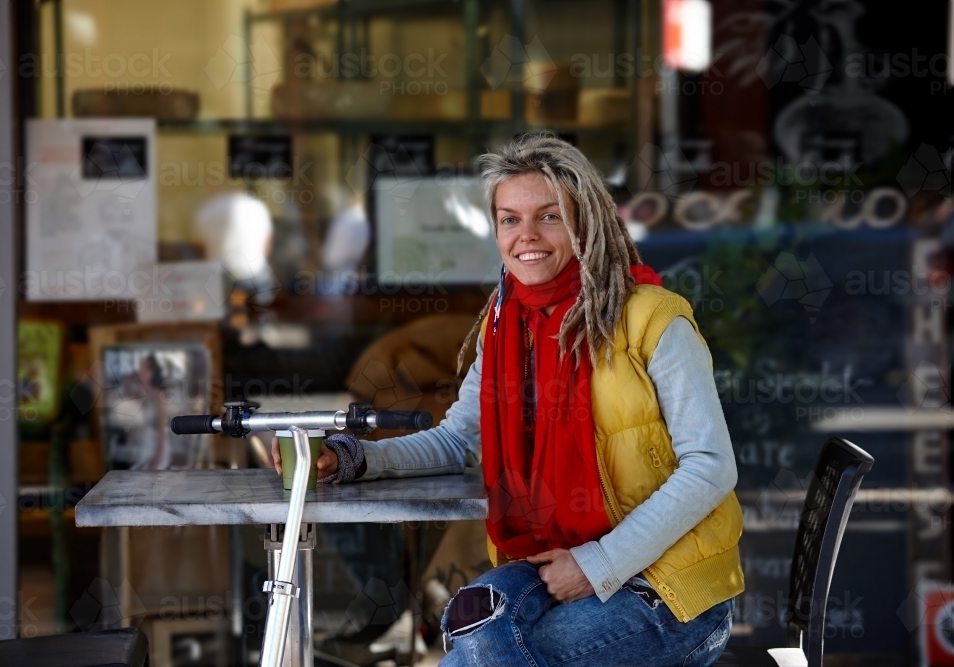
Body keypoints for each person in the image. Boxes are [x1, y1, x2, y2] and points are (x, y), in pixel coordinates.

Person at [272, 133, 743, 667]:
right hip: (550, 566)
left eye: (549, 216)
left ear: (585, 223)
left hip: (670, 594)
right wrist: (355, 458)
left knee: (477, 655)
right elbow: (457, 439)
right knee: (470, 617)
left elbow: (709, 467)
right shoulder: (505, 320)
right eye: (509, 219)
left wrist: (599, 563)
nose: (527, 236)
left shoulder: (653, 318)